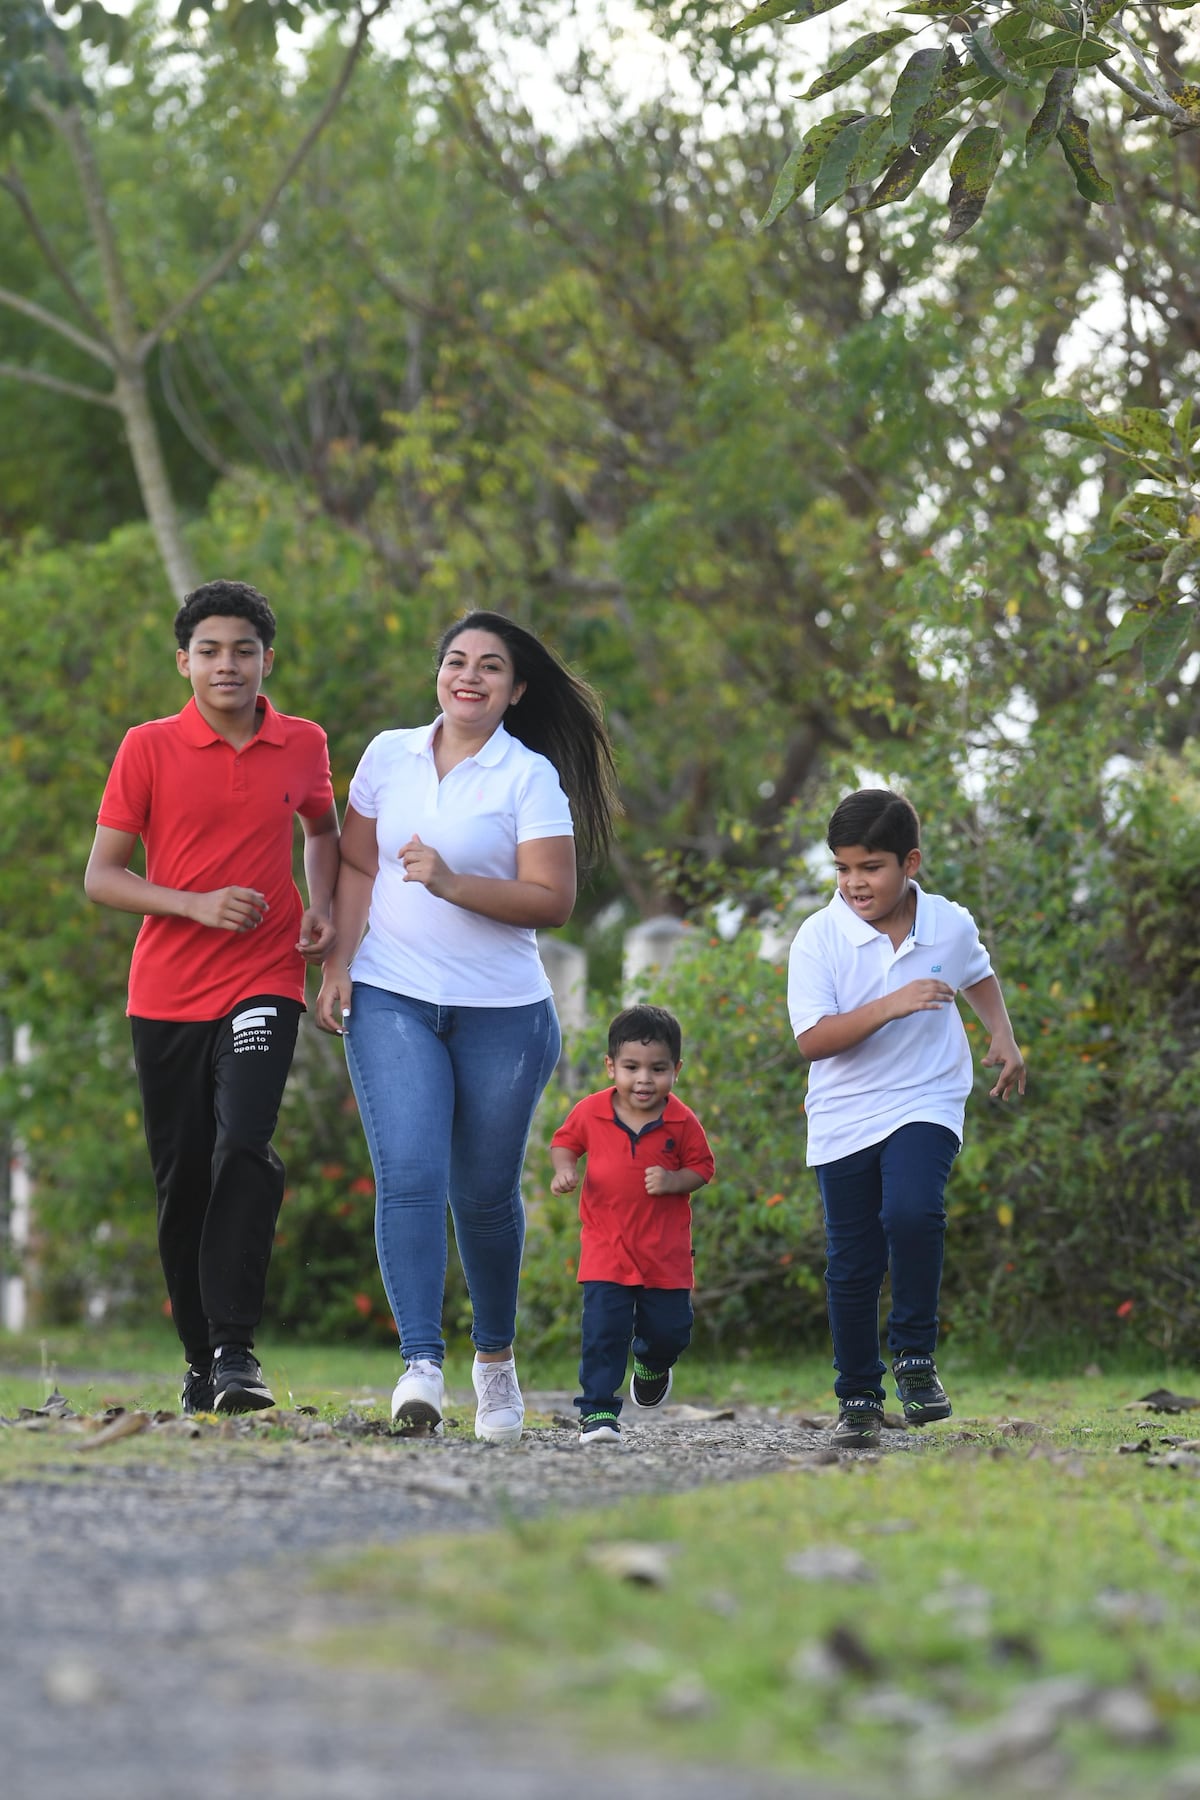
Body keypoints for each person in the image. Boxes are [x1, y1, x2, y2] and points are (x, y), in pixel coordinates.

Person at [315, 610, 618, 1445]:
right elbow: (355, 861)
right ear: (438, 673)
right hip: (392, 995)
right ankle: (420, 1365)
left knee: (483, 1196)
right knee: (409, 1172)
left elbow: (551, 901)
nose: (470, 677)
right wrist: (338, 962)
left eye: (491, 667)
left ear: (516, 690)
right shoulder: (388, 755)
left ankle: (495, 1363)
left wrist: (450, 883)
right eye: (456, 660)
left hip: (504, 1016)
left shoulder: (528, 778)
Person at [84, 579, 340, 1416]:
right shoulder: (146, 747)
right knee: (182, 1177)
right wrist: (193, 903)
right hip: (166, 990)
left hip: (267, 974)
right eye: (209, 650)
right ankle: (201, 1362)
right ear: (184, 662)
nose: (226, 665)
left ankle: (237, 1351)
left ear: (268, 659)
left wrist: (323, 911)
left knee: (244, 1144)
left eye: (243, 650)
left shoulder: (303, 743)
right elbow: (103, 876)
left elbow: (322, 829)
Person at [786, 789, 1025, 1449]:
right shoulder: (818, 938)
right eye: (843, 869)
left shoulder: (947, 923)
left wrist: (1002, 1037)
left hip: (928, 1095)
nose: (855, 883)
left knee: (914, 1212)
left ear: (909, 862)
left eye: (871, 867)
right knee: (852, 1261)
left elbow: (976, 973)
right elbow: (812, 1040)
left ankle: (916, 1359)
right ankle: (858, 1396)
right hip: (843, 1112)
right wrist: (893, 1004)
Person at [550, 1005, 715, 1445]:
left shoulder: (681, 1121)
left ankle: (652, 1363)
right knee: (603, 1332)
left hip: (666, 1254)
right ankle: (598, 1413)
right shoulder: (590, 1112)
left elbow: (703, 1167)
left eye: (658, 1068)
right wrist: (564, 1170)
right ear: (610, 1067)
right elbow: (564, 1143)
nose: (644, 1079)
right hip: (607, 1249)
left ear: (676, 1070)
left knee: (671, 1331)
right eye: (631, 1067)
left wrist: (675, 1180)